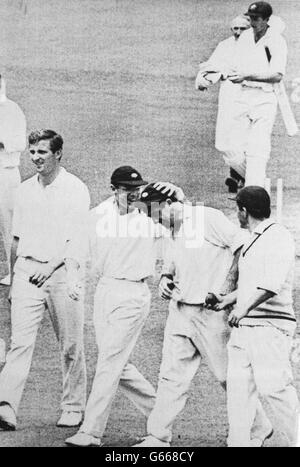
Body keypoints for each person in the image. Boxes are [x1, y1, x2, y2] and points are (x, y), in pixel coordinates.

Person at [132, 183, 272, 447]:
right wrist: (165, 278)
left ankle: (258, 429)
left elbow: (243, 247)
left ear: (168, 205)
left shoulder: (207, 218)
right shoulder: (170, 229)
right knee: (171, 376)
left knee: (227, 376)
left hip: (212, 314)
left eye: (153, 214)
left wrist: (228, 288)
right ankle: (158, 436)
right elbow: (172, 261)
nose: (153, 221)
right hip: (180, 310)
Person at [65, 167, 182, 447]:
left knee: (108, 363)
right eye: (127, 191)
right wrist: (73, 280)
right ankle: (161, 413)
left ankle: (91, 432)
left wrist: (178, 195)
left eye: (136, 191)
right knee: (116, 363)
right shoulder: (95, 216)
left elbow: (184, 225)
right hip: (104, 292)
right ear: (113, 189)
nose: (133, 195)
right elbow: (74, 253)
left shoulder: (150, 213)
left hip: (134, 294)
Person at [0, 129, 89, 431]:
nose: (36, 158)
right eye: (33, 152)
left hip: (63, 273)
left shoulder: (75, 189)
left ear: (58, 154)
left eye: (43, 152)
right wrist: (14, 281)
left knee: (70, 345)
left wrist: (50, 267)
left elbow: (77, 239)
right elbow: (15, 239)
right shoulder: (24, 190)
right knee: (19, 344)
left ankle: (73, 406)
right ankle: (6, 407)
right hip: (27, 273)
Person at [214, 186, 299, 447]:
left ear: (244, 210)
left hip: (269, 326)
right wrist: (227, 300)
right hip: (244, 328)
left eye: (236, 208)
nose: (235, 213)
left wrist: (242, 309)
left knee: (274, 388)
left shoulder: (278, 236)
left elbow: (271, 284)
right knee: (239, 394)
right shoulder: (253, 237)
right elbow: (252, 285)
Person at [223, 1, 287, 187]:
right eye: (250, 18)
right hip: (243, 95)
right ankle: (251, 179)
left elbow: (277, 75)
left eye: (256, 19)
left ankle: (254, 191)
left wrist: (247, 75)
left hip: (265, 99)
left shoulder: (276, 41)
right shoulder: (245, 38)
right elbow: (235, 65)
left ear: (267, 19)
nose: (252, 22)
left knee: (257, 150)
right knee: (230, 147)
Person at [197, 15, 251, 193]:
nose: (238, 32)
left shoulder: (256, 46)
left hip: (249, 95)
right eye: (235, 28)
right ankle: (239, 174)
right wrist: (204, 79)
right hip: (228, 94)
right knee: (225, 135)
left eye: (242, 28)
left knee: (242, 136)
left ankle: (240, 176)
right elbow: (212, 66)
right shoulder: (225, 45)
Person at [0, 76, 26, 285]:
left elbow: (19, 143)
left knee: (10, 225)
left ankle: (15, 274)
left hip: (5, 173)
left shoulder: (12, 109)